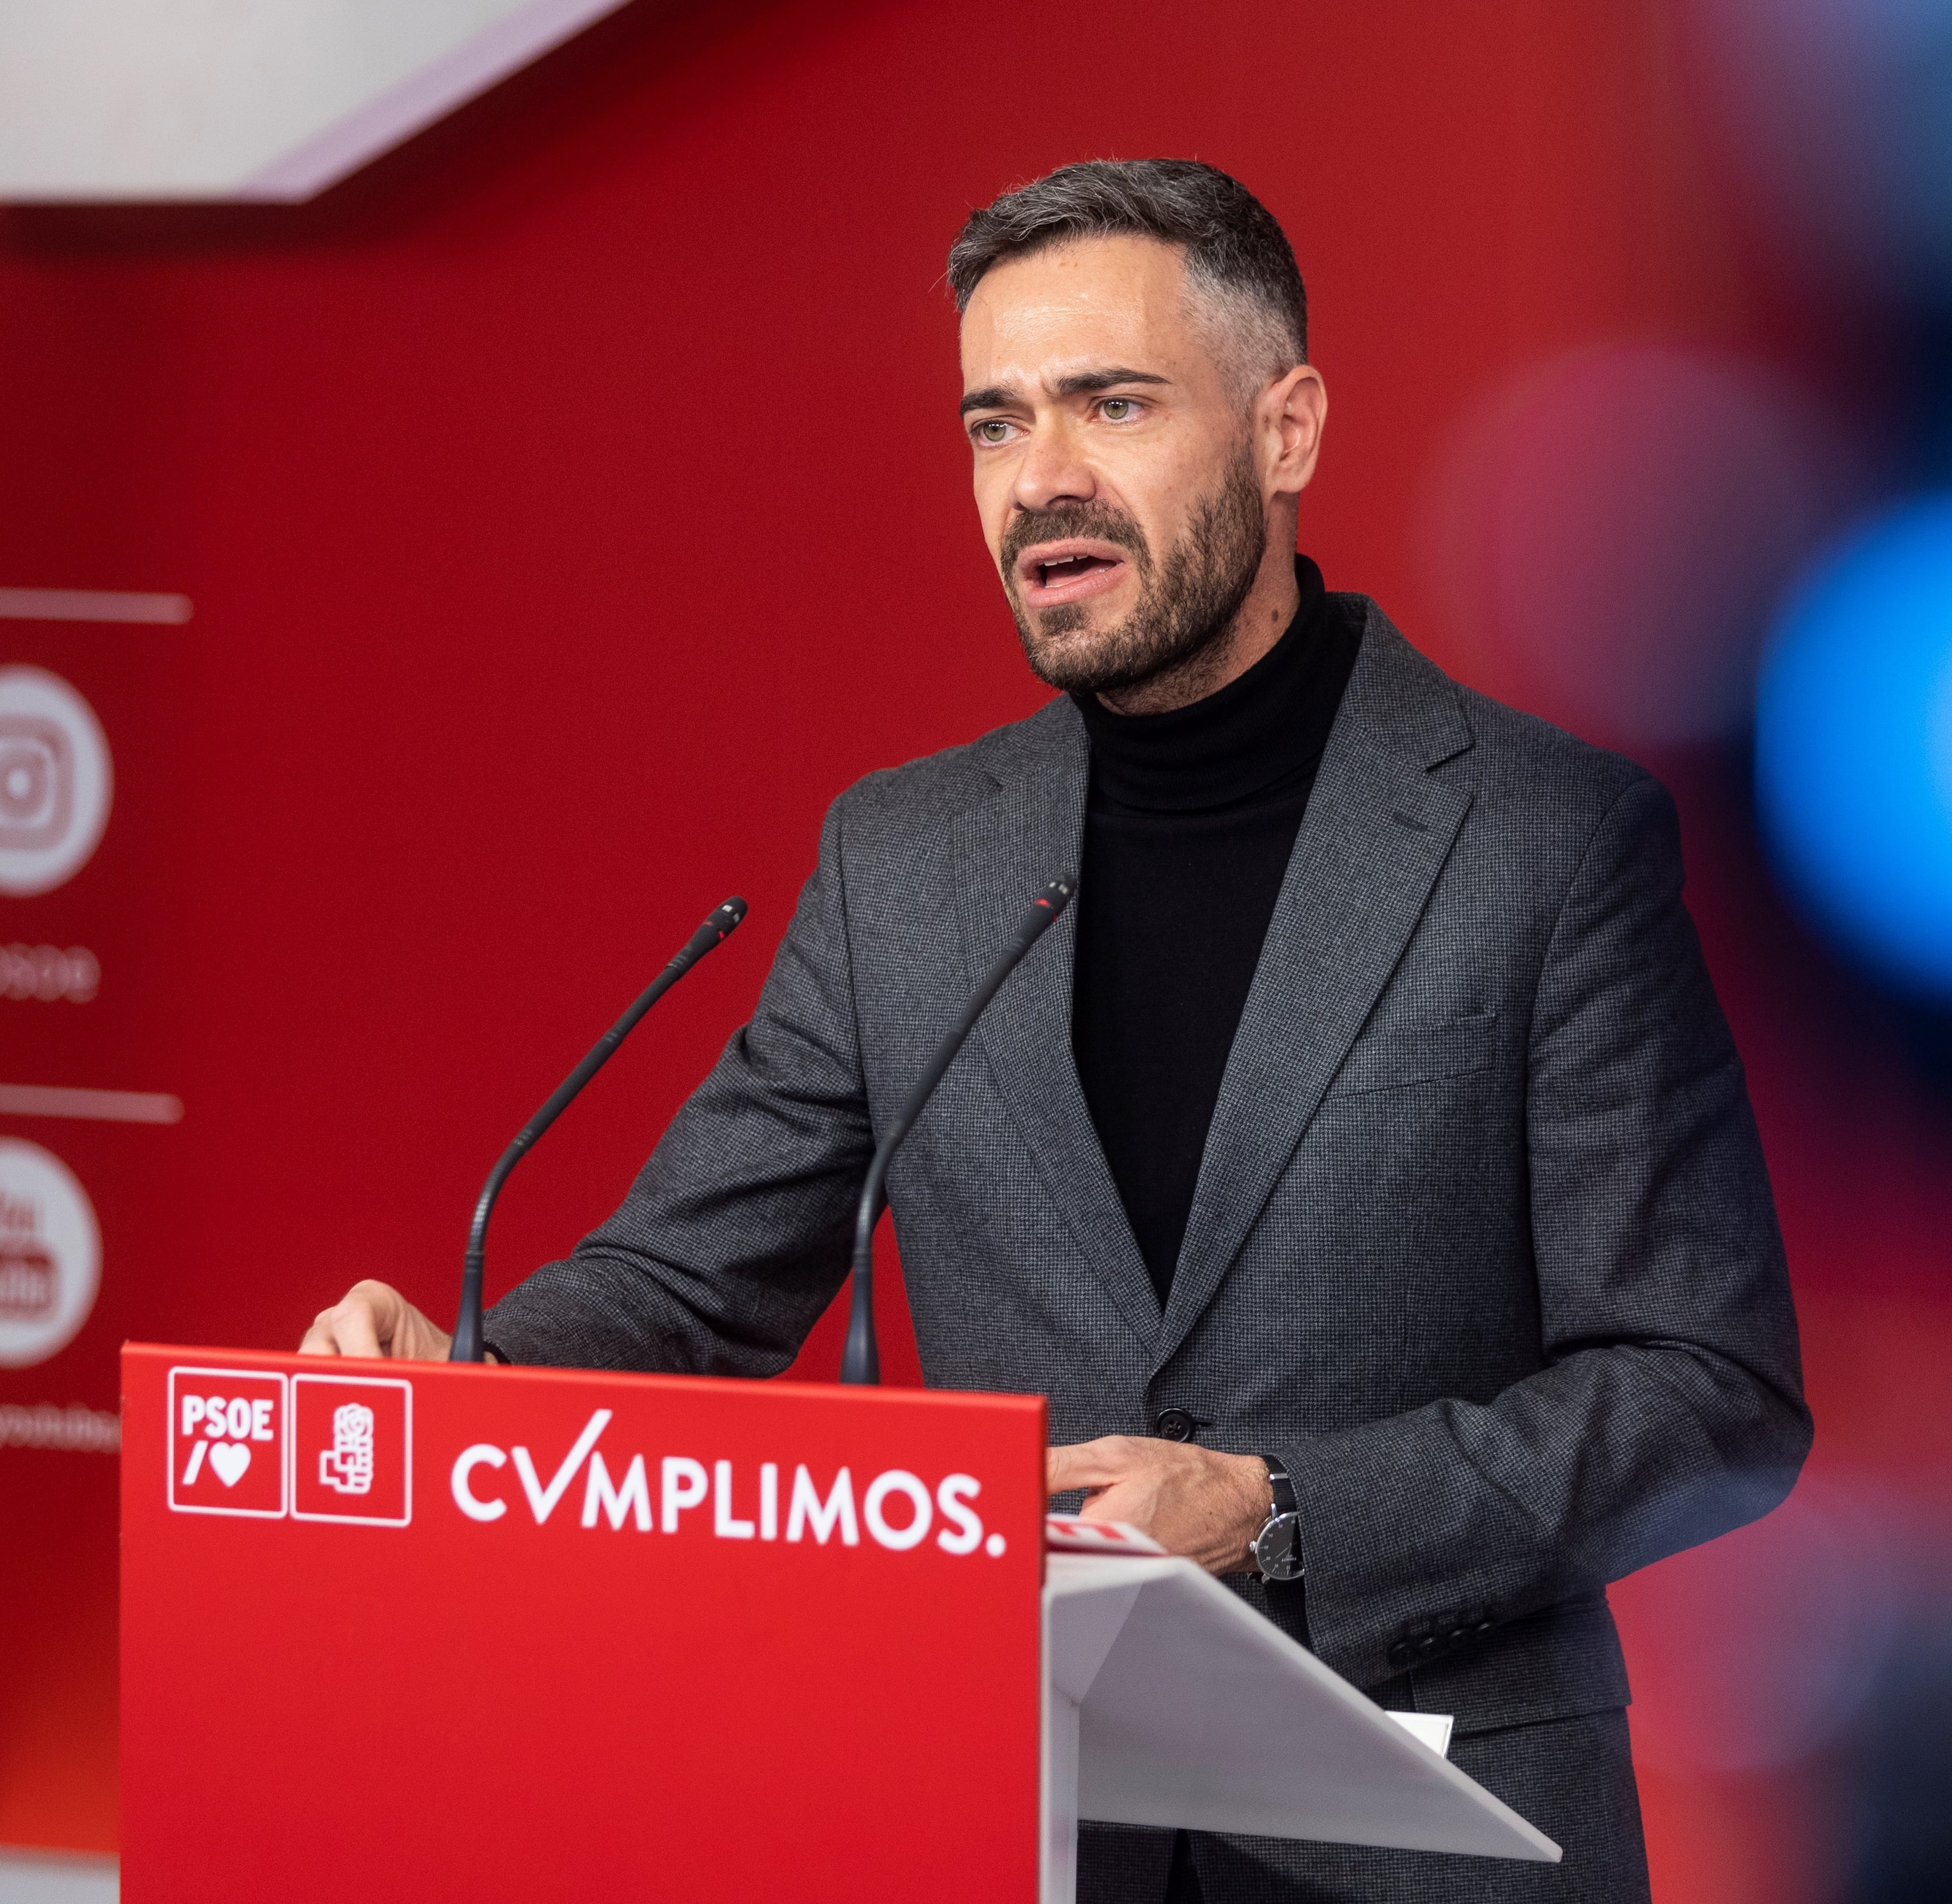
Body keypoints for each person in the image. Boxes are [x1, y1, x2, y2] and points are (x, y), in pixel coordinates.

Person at [303, 158, 1808, 1904]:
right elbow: (694, 1285)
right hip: (1024, 1830)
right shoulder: (909, 860)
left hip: (1437, 1842)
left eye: (1113, 403)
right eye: (995, 422)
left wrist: (1274, 1506)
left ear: (1287, 427)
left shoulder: (1543, 843)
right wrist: (473, 1385)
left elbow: (1713, 1400)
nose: (1046, 480)